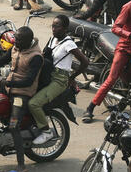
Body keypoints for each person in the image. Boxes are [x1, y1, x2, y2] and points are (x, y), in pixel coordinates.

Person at [0, 26, 42, 172]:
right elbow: (0, 61)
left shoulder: (36, 57)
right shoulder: (16, 48)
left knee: (14, 126)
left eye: (19, 40)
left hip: (22, 93)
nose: (15, 42)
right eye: (16, 39)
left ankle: (21, 166)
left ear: (28, 41)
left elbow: (28, 81)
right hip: (8, 87)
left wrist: (7, 83)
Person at [30, 15, 88, 145]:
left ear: (65, 28)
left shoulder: (69, 44)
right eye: (53, 26)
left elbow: (85, 62)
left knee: (34, 103)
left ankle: (46, 132)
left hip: (59, 80)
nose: (54, 29)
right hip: (48, 75)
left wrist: (72, 77)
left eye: (57, 26)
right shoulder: (53, 39)